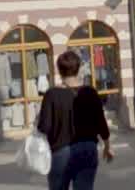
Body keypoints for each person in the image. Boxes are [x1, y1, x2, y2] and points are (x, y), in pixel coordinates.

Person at [36, 51, 114, 190]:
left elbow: (44, 127)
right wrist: (107, 146)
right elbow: (101, 123)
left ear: (59, 70)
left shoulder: (52, 94)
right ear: (78, 68)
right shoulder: (90, 92)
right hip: (88, 148)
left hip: (60, 152)